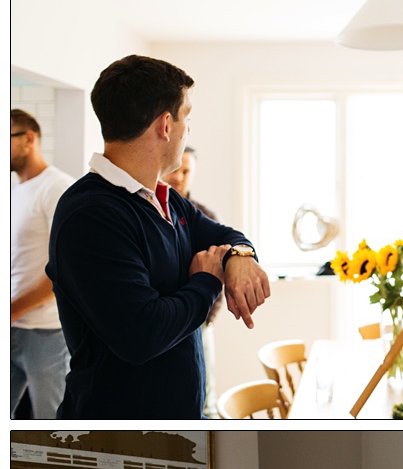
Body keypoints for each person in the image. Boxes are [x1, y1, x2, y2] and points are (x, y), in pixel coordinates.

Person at [46, 55, 270, 418]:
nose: (188, 130)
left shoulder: (166, 199)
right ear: (166, 125)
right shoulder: (91, 215)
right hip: (118, 438)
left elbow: (224, 234)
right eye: (187, 117)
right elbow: (141, 334)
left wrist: (240, 255)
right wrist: (207, 281)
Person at [10, 109, 74, 418]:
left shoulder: (58, 188)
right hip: (12, 326)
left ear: (28, 139)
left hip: (45, 333)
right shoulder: (15, 191)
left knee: (51, 426)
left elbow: (64, 268)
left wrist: (10, 310)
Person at [161, 145, 223, 418]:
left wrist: (209, 316)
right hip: (168, 315)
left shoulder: (204, 215)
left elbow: (221, 264)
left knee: (205, 389)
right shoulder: (152, 212)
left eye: (186, 171)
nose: (180, 177)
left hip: (201, 316)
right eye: (176, 169)